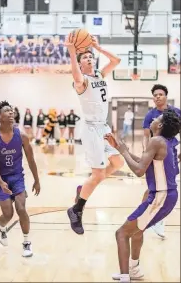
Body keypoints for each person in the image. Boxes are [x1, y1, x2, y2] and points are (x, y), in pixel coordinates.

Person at [105, 109, 180, 283]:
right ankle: (134, 270)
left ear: (159, 125)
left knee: (122, 233)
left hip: (160, 197)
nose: (153, 118)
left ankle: (125, 277)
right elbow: (143, 162)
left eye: (157, 118)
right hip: (166, 196)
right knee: (137, 231)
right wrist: (119, 147)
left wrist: (123, 152)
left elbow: (139, 171)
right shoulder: (165, 141)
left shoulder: (156, 141)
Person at [65, 35, 124, 235]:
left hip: (104, 127)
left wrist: (98, 47)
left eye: (91, 57)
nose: (89, 59)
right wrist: (73, 53)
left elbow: (116, 60)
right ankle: (76, 210)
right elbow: (76, 76)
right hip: (90, 130)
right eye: (85, 58)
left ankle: (85, 188)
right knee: (98, 174)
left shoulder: (99, 75)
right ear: (80, 64)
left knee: (118, 163)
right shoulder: (81, 82)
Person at [0, 101, 40, 257]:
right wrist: (0, 182)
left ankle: (26, 242)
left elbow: (31, 159)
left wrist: (37, 180)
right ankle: (2, 227)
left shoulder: (22, 136)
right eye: (7, 111)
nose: (11, 113)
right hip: (2, 179)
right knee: (8, 215)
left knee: (21, 208)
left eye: (12, 111)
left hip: (17, 178)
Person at [142, 84, 180, 238]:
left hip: (171, 152)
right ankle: (151, 216)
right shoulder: (150, 115)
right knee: (155, 187)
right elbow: (146, 135)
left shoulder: (176, 112)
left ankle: (155, 218)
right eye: (155, 95)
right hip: (155, 153)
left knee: (165, 186)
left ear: (166, 96)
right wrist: (146, 152)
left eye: (160, 94)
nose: (157, 97)